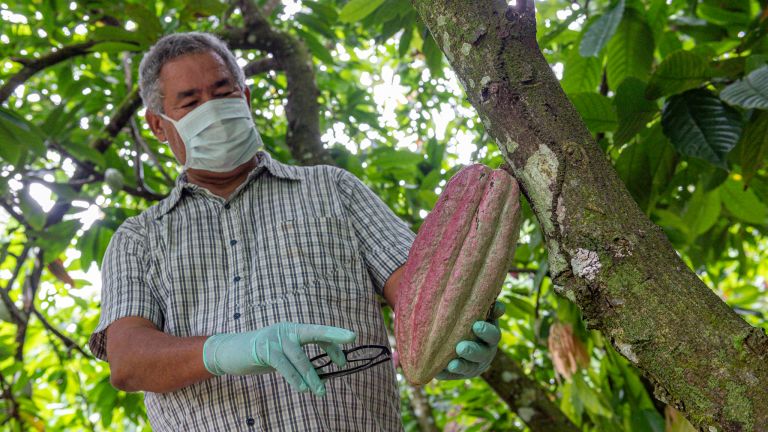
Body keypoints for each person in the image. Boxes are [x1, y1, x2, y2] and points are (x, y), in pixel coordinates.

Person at [88, 32, 504, 431]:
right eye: (191, 101)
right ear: (159, 126)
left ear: (245, 97)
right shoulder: (137, 239)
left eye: (222, 91)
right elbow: (128, 361)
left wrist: (455, 331)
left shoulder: (333, 189)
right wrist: (226, 351)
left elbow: (421, 292)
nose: (211, 108)